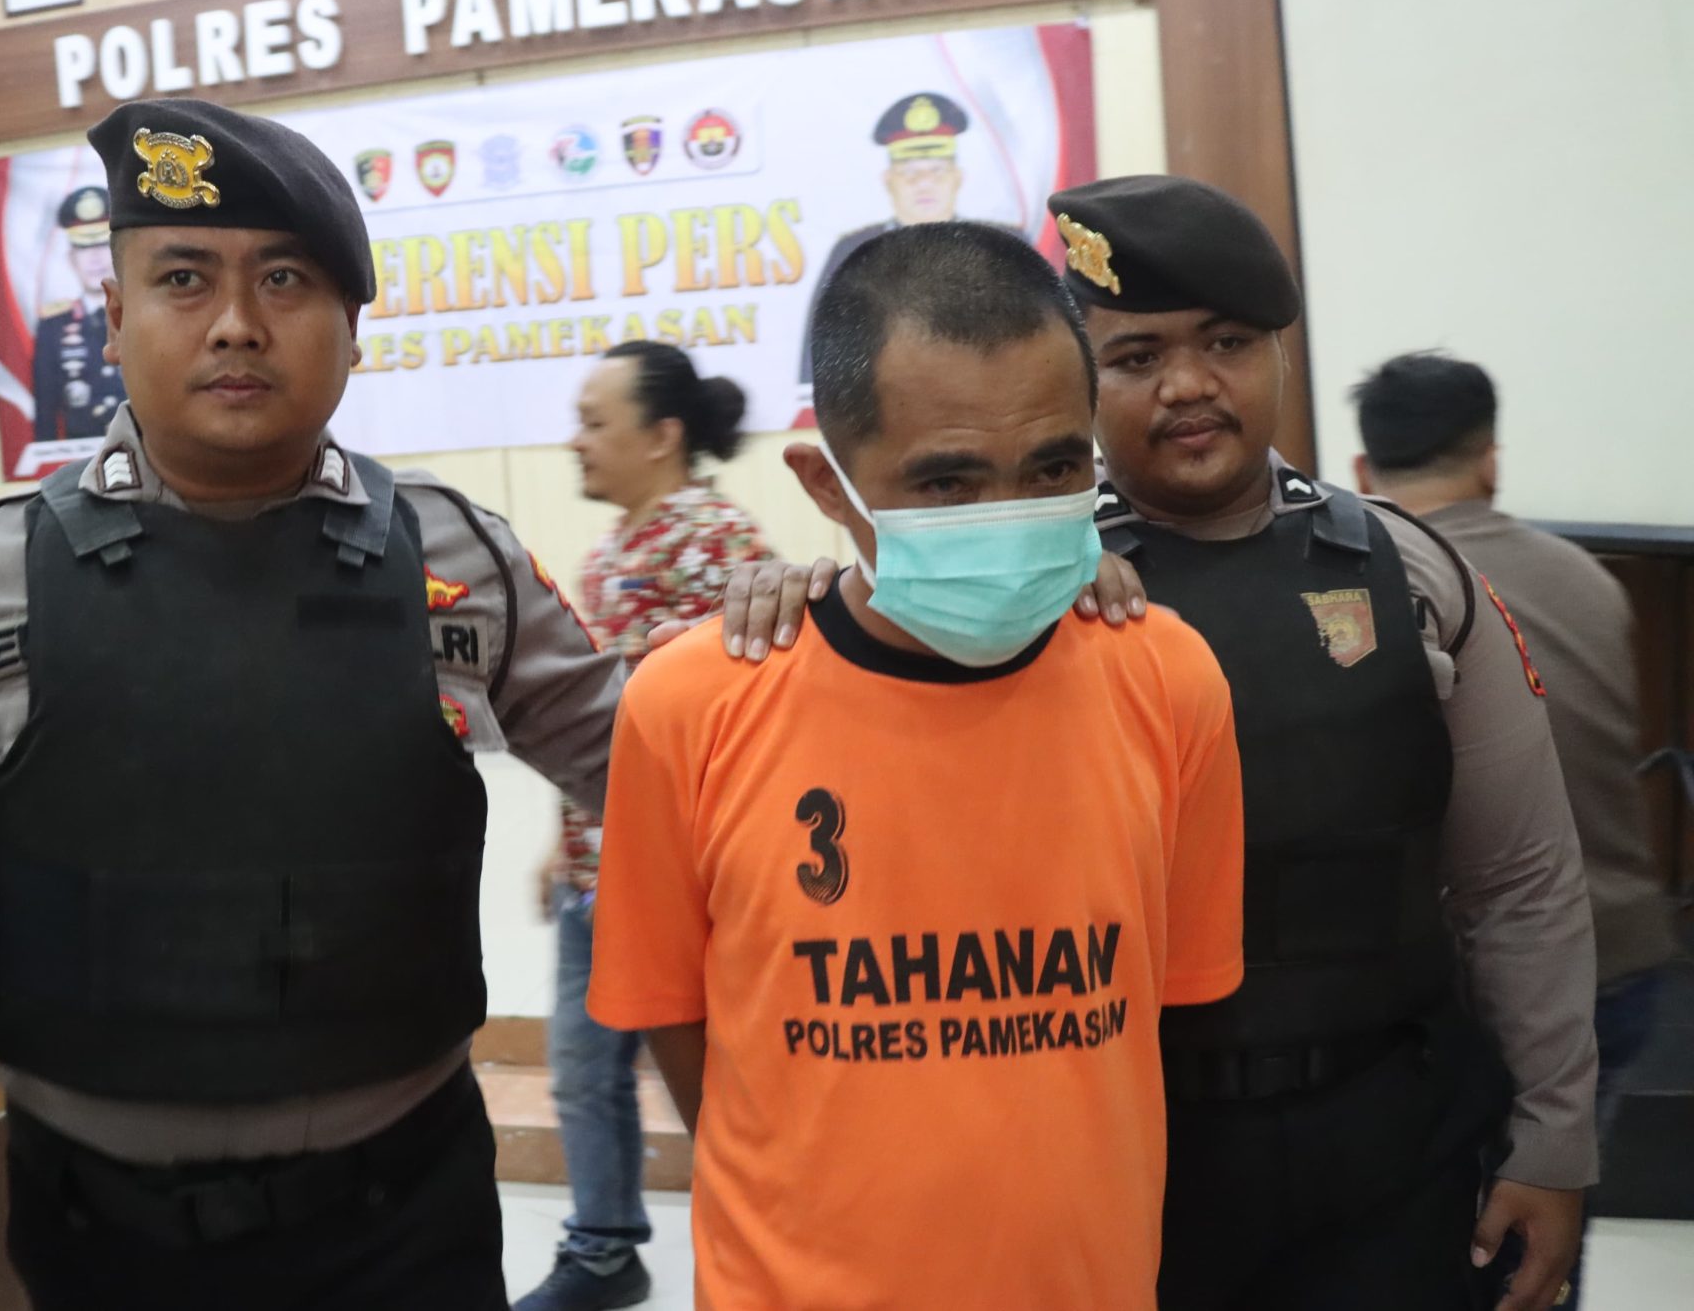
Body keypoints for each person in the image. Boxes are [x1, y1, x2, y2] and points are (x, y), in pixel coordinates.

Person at [0, 97, 626, 1311]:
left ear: (353, 326)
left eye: (284, 279)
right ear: (112, 316)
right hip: (101, 1247)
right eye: (183, 278)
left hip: (407, 1230)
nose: (236, 323)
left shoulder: (454, 563)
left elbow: (670, 780)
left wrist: (822, 637)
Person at [733, 178, 1600, 1311]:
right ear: (1077, 383)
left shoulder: (1411, 571)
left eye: (1227, 342)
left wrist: (1553, 1137)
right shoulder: (999, 591)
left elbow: (1518, 881)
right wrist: (823, 585)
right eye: (1136, 357)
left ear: (1281, 353)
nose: (1188, 385)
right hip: (1132, 1149)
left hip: (1392, 1136)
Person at [588, 221, 1247, 1309]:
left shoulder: (1169, 679)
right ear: (826, 483)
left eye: (1053, 467)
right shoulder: (688, 705)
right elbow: (677, 1017)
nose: (1008, 517)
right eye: (947, 482)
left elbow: (1162, 1013)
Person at [1353, 349, 1682, 1308]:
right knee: (1547, 1235)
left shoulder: (1371, 591)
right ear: (1490, 460)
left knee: (1445, 1246)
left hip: (1474, 983)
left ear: (1363, 472)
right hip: (1621, 958)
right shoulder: (1591, 580)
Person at [516, 342, 769, 1311]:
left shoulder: (717, 542)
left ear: (662, 435)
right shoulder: (612, 549)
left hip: (685, 886)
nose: (575, 441)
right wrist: (563, 839)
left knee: (719, 1080)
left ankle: (759, 1240)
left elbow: (751, 717)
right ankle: (604, 1247)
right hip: (599, 872)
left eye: (594, 421)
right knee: (584, 1073)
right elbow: (604, 721)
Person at [798, 92, 969, 385]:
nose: (924, 184)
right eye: (909, 174)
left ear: (958, 177)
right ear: (888, 180)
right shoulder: (855, 252)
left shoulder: (997, 247)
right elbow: (821, 351)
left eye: (937, 171)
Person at [32, 185, 128, 441]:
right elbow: (45, 412)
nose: (94, 258)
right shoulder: (53, 326)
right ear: (71, 258)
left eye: (102, 246)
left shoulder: (145, 315)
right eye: (84, 249)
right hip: (82, 455)